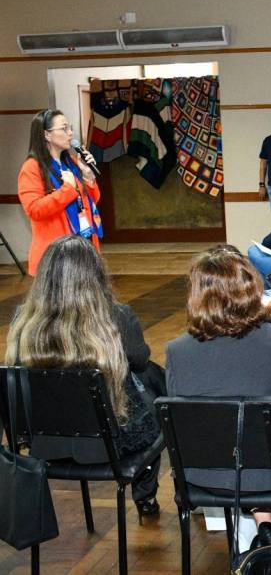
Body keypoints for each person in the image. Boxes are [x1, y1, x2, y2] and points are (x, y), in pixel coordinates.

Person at [167, 247, 271, 537]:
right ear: (251, 289)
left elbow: (184, 419)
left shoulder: (177, 351)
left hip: (207, 473)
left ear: (196, 295)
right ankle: (270, 525)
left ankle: (265, 523)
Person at [6, 235, 162, 516]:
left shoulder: (23, 321)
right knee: (154, 384)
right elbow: (140, 360)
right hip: (108, 446)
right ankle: (145, 497)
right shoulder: (117, 316)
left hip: (44, 443)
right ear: (96, 274)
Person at [18, 109, 102, 277]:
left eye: (70, 128)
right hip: (56, 256)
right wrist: (68, 190)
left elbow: (92, 201)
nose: (70, 133)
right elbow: (34, 210)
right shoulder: (32, 168)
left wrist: (88, 176)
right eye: (64, 128)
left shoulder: (71, 162)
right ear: (47, 135)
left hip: (83, 246)